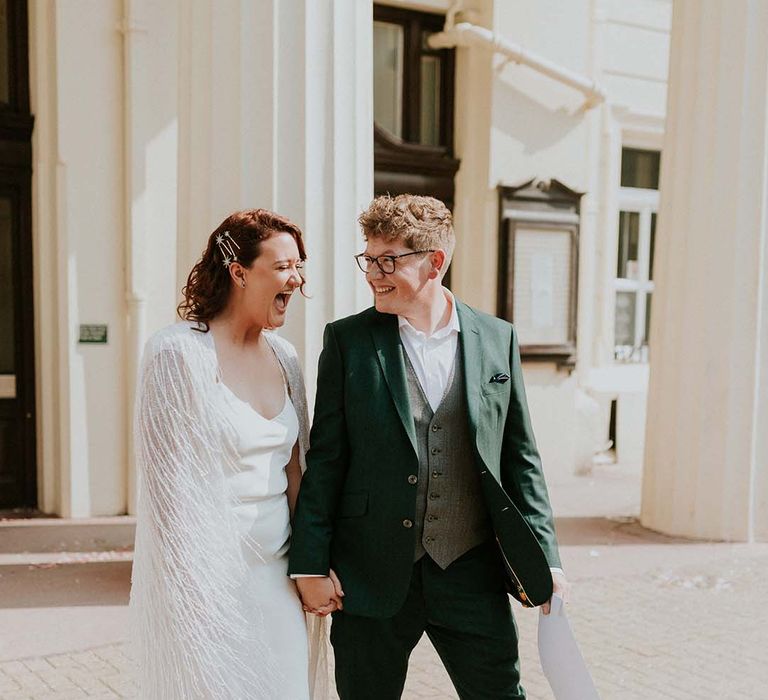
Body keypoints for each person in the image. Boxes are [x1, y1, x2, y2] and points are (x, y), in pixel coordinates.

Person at [288, 194, 569, 699]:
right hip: (369, 573)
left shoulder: (496, 337)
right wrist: (310, 563)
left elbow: (520, 457)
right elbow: (326, 459)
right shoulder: (348, 341)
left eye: (388, 260)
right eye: (369, 259)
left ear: (435, 261)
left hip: (470, 571)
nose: (373, 273)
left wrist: (546, 558)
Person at [130, 209, 327, 699]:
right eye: (282, 266)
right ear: (238, 271)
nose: (296, 279)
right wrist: (191, 598)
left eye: (299, 265)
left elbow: (297, 470)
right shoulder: (177, 353)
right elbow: (165, 492)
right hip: (206, 583)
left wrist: (312, 564)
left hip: (277, 580)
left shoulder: (286, 357)